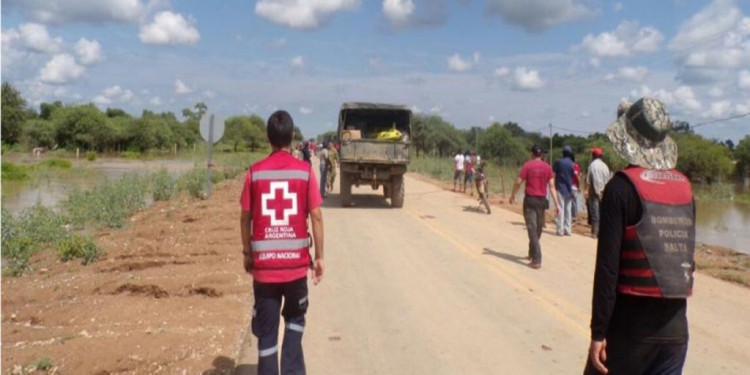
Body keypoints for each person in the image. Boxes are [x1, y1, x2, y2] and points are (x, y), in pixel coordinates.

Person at [584, 97, 696, 375]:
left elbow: (608, 269)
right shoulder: (685, 188)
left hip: (630, 331)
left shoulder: (620, 188)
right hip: (676, 332)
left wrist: (598, 332)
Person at [239, 110, 325, 375]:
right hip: (296, 270)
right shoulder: (305, 173)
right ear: (292, 137)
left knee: (266, 334)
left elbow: (245, 219)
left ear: (268, 138)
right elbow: (316, 216)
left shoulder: (254, 173)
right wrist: (319, 257)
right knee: (295, 323)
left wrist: (247, 253)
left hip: (264, 272)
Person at [509, 145, 561, 269]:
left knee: (532, 229)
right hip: (541, 202)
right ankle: (532, 252)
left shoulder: (527, 165)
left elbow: (518, 182)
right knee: (537, 229)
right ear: (541, 155)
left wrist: (512, 195)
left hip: (530, 200)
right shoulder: (547, 167)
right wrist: (557, 204)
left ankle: (537, 259)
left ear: (531, 154)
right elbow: (552, 187)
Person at [586, 147, 610, 237]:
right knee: (601, 211)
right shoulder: (605, 166)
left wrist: (587, 192)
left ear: (593, 156)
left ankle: (595, 232)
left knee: (595, 212)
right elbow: (608, 180)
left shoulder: (592, 166)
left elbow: (588, 181)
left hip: (594, 191)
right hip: (604, 192)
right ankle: (600, 232)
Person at [553, 146, 576, 236]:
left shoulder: (558, 162)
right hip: (569, 189)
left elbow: (553, 173)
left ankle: (560, 230)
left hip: (560, 188)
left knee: (560, 209)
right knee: (568, 210)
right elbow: (574, 175)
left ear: (562, 153)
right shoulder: (572, 163)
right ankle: (568, 230)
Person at [571, 154, 581, 223]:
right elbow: (577, 175)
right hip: (574, 186)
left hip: (572, 186)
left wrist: (579, 185)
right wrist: (579, 185)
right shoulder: (576, 166)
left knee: (573, 202)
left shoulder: (573, 166)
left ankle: (574, 216)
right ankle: (574, 216)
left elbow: (576, 175)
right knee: (574, 202)